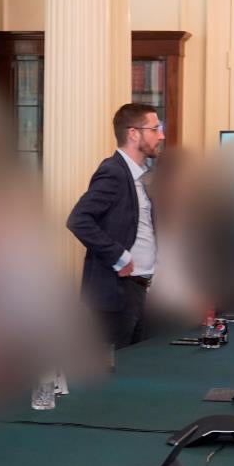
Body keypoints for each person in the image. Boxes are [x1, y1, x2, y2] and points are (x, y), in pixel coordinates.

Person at [66, 104, 163, 348]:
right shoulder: (114, 172)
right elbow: (79, 219)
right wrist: (118, 255)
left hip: (139, 290)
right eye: (155, 128)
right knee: (115, 373)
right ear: (134, 134)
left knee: (138, 368)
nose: (161, 135)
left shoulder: (140, 176)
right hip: (116, 293)